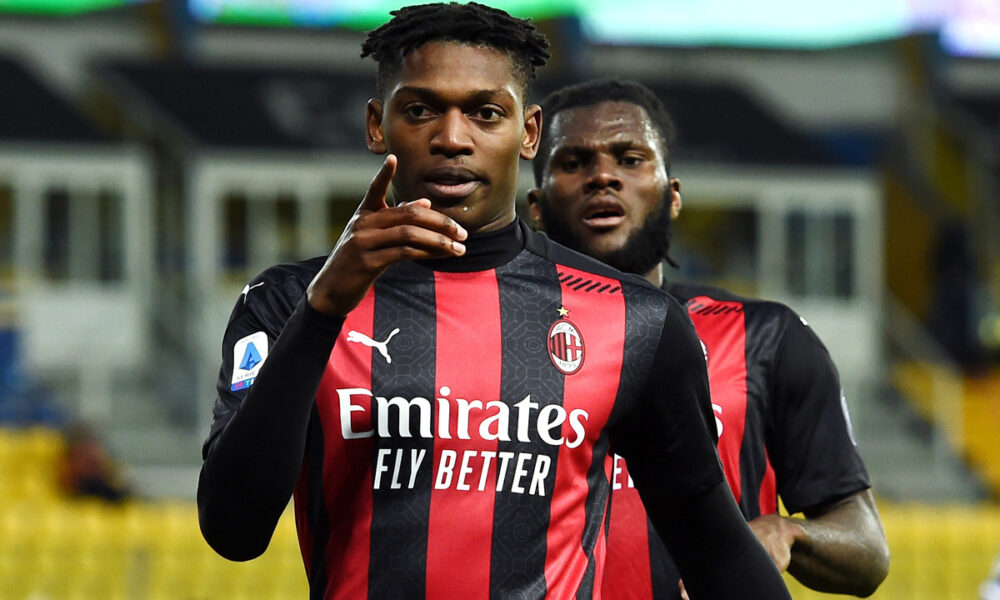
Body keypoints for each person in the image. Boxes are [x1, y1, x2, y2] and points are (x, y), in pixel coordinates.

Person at [197, 4, 792, 598]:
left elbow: (718, 552)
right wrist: (322, 312)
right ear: (377, 125)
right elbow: (233, 530)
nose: (452, 139)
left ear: (528, 132)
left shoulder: (636, 320)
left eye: (485, 113)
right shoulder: (287, 302)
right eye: (420, 110)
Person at [527, 78, 890, 598]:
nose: (603, 176)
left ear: (673, 195)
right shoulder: (493, 338)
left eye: (630, 159)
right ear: (536, 206)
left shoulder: (766, 338)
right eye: (574, 162)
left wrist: (785, 533)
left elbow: (868, 551)